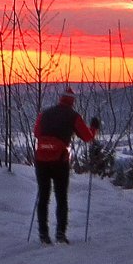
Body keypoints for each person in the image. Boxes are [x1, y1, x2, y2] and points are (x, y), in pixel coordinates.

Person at [33, 89, 99, 244]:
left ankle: (43, 234)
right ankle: (60, 234)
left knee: (43, 196)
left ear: (60, 98)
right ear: (72, 101)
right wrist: (94, 128)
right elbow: (87, 137)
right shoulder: (73, 116)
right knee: (61, 197)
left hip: (41, 159)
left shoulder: (45, 113)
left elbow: (36, 132)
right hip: (60, 160)